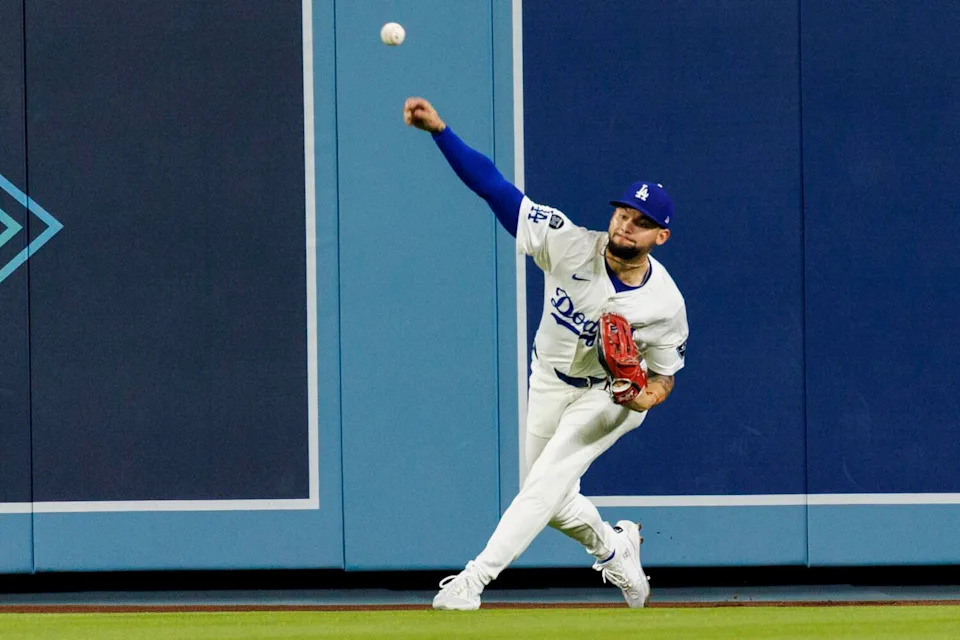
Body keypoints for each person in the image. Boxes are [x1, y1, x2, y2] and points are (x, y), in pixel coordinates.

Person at [403, 97, 688, 610]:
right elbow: (494, 188)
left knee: (546, 481)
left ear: (659, 237)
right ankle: (616, 549)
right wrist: (440, 131)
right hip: (549, 379)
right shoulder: (567, 242)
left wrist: (643, 398)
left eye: (640, 221)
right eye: (623, 212)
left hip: (608, 396)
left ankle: (472, 582)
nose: (626, 224)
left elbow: (664, 377)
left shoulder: (665, 304)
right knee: (550, 500)